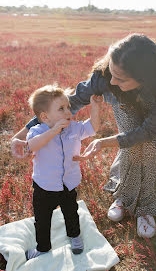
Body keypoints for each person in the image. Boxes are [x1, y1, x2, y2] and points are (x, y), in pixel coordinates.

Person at [11, 34, 156, 239]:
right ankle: (127, 196)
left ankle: (146, 207)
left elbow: (149, 131)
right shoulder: (105, 75)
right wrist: (21, 135)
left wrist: (104, 142)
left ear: (144, 78)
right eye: (111, 72)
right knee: (134, 149)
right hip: (126, 101)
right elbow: (73, 102)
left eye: (119, 78)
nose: (111, 80)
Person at [23, 84, 102, 260]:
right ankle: (43, 247)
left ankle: (74, 236)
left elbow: (92, 128)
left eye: (68, 107)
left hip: (68, 183)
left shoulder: (74, 127)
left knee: (71, 212)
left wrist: (95, 108)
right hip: (45, 186)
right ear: (44, 116)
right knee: (42, 220)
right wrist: (53, 131)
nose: (68, 112)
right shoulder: (38, 131)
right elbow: (32, 145)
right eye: (61, 109)